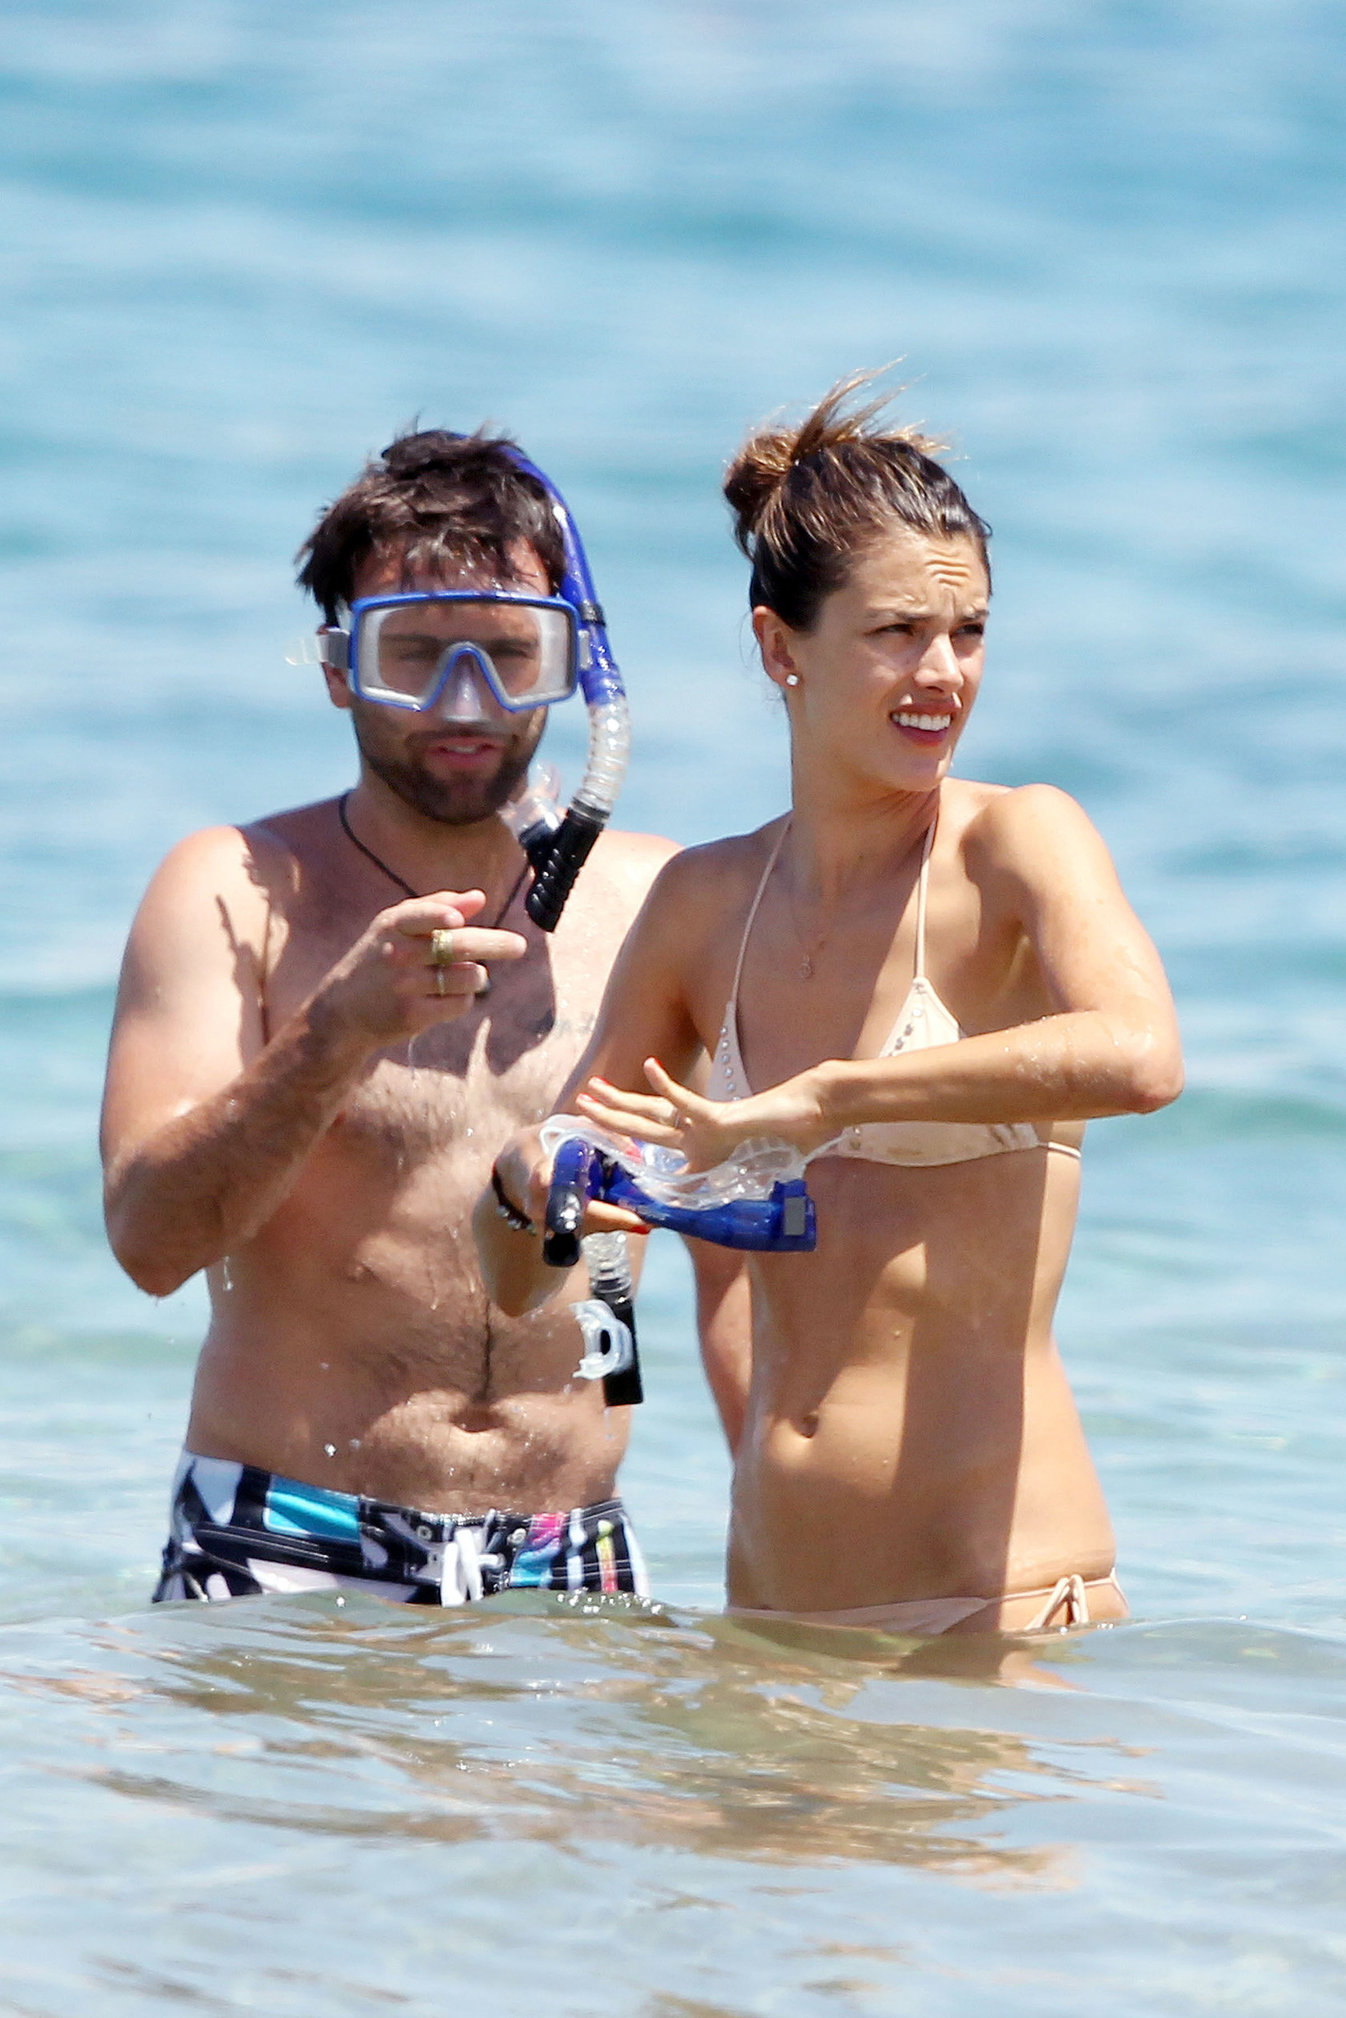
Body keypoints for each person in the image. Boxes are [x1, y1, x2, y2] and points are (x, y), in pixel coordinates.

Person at [479, 375, 1183, 1636]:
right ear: (776, 646)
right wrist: (530, 1194)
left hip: (996, 1614)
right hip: (772, 1622)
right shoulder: (704, 902)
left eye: (968, 631)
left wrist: (827, 1099)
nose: (942, 673)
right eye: (896, 632)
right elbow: (539, 1278)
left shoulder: (1014, 846)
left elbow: (1138, 1056)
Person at [102, 427, 735, 1606]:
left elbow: (742, 1264)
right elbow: (148, 1240)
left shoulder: (662, 902)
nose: (466, 701)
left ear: (577, 665)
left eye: (508, 655)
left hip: (577, 1551)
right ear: (341, 665)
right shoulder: (230, 890)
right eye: (417, 654)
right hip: (285, 1535)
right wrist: (334, 1032)